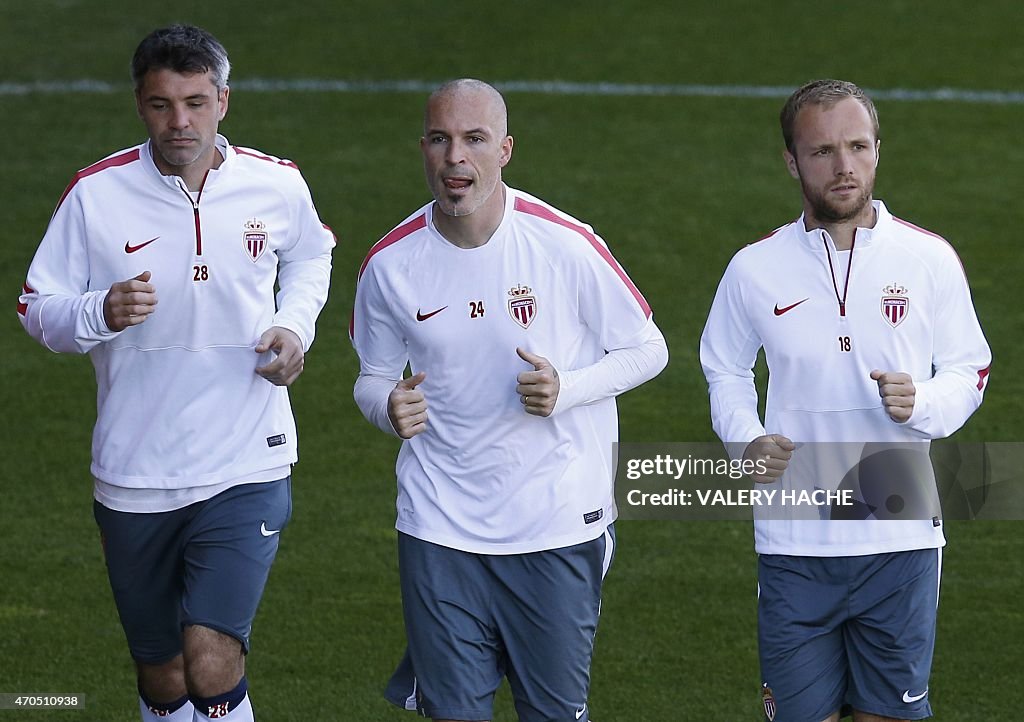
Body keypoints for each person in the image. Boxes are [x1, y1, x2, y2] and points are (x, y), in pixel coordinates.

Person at [16, 24, 334, 722]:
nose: (180, 122)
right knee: (161, 672)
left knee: (211, 655)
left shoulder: (276, 184)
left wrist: (294, 326)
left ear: (224, 100)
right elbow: (36, 310)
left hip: (247, 461)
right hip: (135, 471)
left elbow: (313, 254)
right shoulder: (95, 195)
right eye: (162, 104)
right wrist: (100, 309)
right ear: (140, 105)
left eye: (195, 102)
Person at [350, 78, 668, 722]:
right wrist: (386, 406)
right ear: (423, 149)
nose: (455, 157)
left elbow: (648, 349)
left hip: (554, 523)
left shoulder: (565, 245)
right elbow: (371, 376)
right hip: (439, 526)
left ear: (505, 150)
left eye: (474, 140)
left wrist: (566, 389)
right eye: (440, 140)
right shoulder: (391, 263)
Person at [700, 79, 991, 722]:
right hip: (795, 542)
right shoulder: (754, 268)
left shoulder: (929, 259)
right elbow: (723, 367)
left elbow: (971, 368)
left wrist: (923, 403)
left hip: (901, 537)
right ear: (792, 161)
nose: (844, 167)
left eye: (858, 147)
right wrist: (745, 440)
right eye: (823, 151)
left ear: (878, 151)